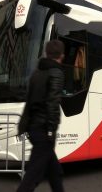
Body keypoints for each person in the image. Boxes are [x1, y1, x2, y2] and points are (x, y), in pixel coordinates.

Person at [17, 40, 65, 192]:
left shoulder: (36, 73)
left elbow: (29, 101)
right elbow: (53, 104)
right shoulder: (56, 72)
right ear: (61, 55)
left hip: (33, 127)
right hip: (44, 129)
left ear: (46, 53)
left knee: (54, 171)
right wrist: (51, 130)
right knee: (33, 175)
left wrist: (24, 125)